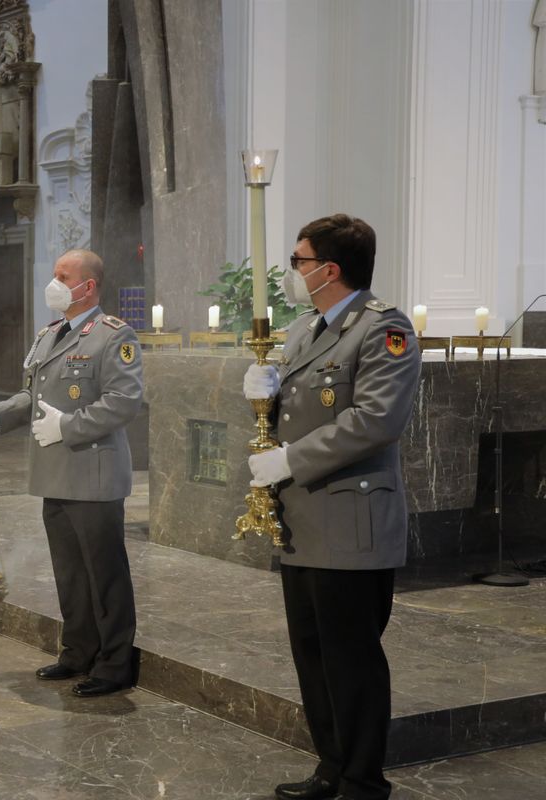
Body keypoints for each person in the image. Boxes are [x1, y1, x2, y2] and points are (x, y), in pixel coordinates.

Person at [242, 214, 420, 800]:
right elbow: (293, 411)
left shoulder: (383, 329)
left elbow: (375, 420)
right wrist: (261, 396)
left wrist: (291, 460)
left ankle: (364, 781)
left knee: (352, 661)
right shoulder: (304, 330)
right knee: (312, 653)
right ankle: (331, 766)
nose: (293, 272)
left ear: (329, 270)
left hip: (350, 522)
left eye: (299, 261)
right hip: (304, 521)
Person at [0, 248, 142, 698]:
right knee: (69, 571)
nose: (55, 282)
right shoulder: (50, 334)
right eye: (55, 274)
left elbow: (124, 401)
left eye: (64, 276)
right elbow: (33, 394)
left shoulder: (112, 336)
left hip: (94, 471)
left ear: (89, 286)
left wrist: (68, 425)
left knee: (104, 574)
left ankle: (116, 662)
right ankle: (77, 651)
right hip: (56, 472)